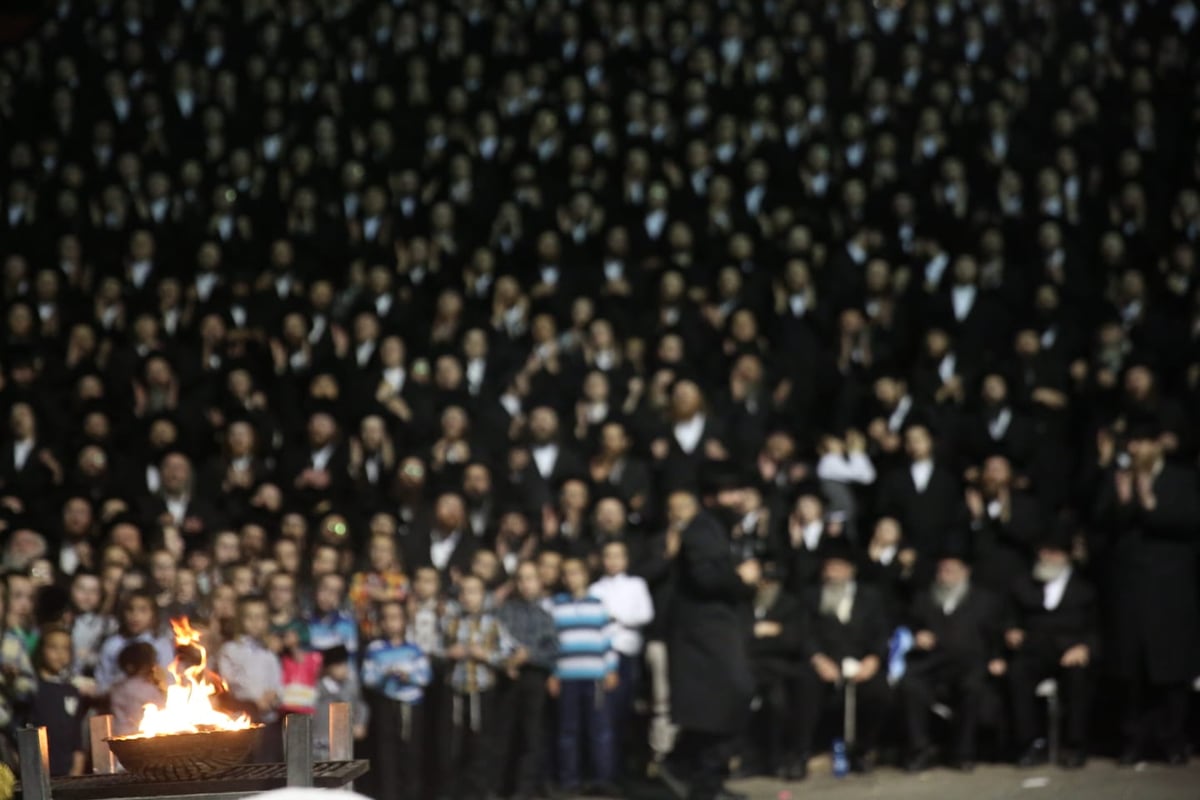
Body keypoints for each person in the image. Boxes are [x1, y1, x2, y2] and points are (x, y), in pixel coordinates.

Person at [1091, 419, 1200, 766]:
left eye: (1141, 443)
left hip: (1170, 589)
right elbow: (1098, 521)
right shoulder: (1118, 477)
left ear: (1158, 445)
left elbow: (1190, 521)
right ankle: (1132, 740)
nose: (1134, 450)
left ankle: (1173, 739)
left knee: (1170, 672)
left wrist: (1150, 503)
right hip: (1129, 590)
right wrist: (1123, 501)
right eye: (1131, 444)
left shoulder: (1181, 478)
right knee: (1131, 672)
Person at [662, 491, 756, 800]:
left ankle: (692, 772)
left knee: (718, 708)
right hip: (706, 634)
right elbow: (708, 577)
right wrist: (741, 577)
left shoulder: (713, 527)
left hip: (712, 632)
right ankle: (693, 775)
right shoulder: (702, 528)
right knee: (727, 700)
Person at [900, 547, 1005, 772]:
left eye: (951, 570)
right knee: (910, 685)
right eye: (942, 570)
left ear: (965, 572)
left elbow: (995, 634)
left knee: (972, 688)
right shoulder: (924, 598)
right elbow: (909, 624)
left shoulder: (984, 600)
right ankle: (920, 749)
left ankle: (963, 752)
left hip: (969, 664)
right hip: (931, 663)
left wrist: (997, 657)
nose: (945, 574)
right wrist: (917, 635)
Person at [795, 536, 890, 776]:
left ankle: (863, 750)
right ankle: (801, 753)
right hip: (823, 662)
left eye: (839, 568)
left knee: (878, 692)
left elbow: (881, 633)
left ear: (851, 571)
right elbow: (804, 632)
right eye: (829, 568)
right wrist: (818, 659)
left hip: (861, 661)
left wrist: (873, 659)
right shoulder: (811, 596)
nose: (834, 573)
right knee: (804, 685)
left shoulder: (871, 597)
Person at [1005, 529, 1097, 768]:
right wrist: (1012, 630)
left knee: (1078, 678)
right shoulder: (1024, 584)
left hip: (1070, 651)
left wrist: (1085, 647)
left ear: (1065, 556)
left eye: (1053, 552)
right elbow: (1011, 617)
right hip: (1034, 650)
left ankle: (1075, 744)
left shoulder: (1084, 589)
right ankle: (1032, 743)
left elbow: (1096, 626)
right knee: (1017, 674)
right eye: (1043, 552)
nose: (1046, 557)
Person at [549, 557, 620, 797]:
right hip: (567, 676)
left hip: (595, 677)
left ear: (585, 576)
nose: (572, 578)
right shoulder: (555, 605)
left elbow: (608, 640)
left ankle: (601, 779)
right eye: (567, 573)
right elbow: (550, 644)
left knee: (600, 730)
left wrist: (611, 669)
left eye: (576, 572)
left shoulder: (599, 605)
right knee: (568, 730)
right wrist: (553, 673)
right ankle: (569, 780)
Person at [443, 573, 516, 800]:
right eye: (464, 592)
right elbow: (435, 650)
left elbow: (509, 652)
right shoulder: (451, 623)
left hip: (483, 690)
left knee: (482, 744)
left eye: (474, 591)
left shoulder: (492, 623)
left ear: (483, 595)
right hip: (456, 691)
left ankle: (480, 791)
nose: (468, 597)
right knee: (455, 745)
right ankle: (457, 791)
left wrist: (486, 655)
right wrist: (448, 654)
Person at [587, 539, 654, 772]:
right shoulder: (595, 588)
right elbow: (593, 619)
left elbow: (645, 614)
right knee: (603, 711)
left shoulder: (636, 584)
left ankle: (623, 767)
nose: (613, 561)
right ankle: (604, 768)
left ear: (626, 559)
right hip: (602, 656)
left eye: (618, 556)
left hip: (627, 653)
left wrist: (616, 617)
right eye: (608, 555)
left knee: (626, 710)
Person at [495, 560, 558, 800]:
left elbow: (553, 650)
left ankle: (524, 789)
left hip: (534, 677)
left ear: (539, 582)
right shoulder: (504, 611)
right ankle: (499, 787)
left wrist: (529, 654)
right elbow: (494, 640)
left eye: (530, 578)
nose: (525, 584)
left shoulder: (545, 616)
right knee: (504, 733)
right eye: (520, 578)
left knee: (532, 734)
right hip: (508, 677)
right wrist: (507, 662)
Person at [362, 600, 431, 800]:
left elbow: (426, 676)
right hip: (386, 705)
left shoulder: (414, 649)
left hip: (411, 707)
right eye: (386, 618)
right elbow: (367, 677)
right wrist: (385, 675)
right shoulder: (375, 649)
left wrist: (408, 677)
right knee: (386, 756)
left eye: (396, 617)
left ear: (404, 621)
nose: (391, 623)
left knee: (411, 754)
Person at [746, 561, 805, 780]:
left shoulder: (790, 605)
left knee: (778, 704)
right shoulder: (746, 603)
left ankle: (777, 758)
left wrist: (768, 636)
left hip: (778, 669)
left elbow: (792, 641)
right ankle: (749, 759)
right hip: (747, 665)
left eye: (770, 581)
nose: (765, 585)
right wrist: (764, 633)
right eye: (763, 580)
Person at [218, 594, 285, 761]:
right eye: (251, 617)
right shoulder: (230, 649)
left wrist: (274, 695)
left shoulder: (267, 651)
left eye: (261, 617)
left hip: (268, 719)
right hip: (243, 716)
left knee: (269, 764)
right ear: (240, 620)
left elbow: (277, 679)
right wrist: (255, 699)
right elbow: (229, 680)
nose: (256, 623)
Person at [94, 590, 174, 696]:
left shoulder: (161, 645)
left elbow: (168, 680)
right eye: (130, 610)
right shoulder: (112, 644)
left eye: (143, 610)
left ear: (153, 614)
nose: (135, 615)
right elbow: (102, 680)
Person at [30, 627, 85, 776]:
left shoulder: (72, 691)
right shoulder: (32, 689)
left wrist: (76, 770)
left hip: (66, 772)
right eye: (53, 647)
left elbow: (77, 737)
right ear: (41, 650)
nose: (59, 654)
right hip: (35, 771)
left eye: (65, 648)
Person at [313, 644, 368, 761]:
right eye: (338, 665)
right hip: (319, 744)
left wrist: (360, 723)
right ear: (328, 667)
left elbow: (361, 706)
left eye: (345, 664)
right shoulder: (318, 687)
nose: (343, 669)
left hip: (344, 743)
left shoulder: (351, 685)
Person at [109, 641, 166, 736]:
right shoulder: (145, 690)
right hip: (138, 738)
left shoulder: (118, 687)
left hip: (118, 735)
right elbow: (162, 711)